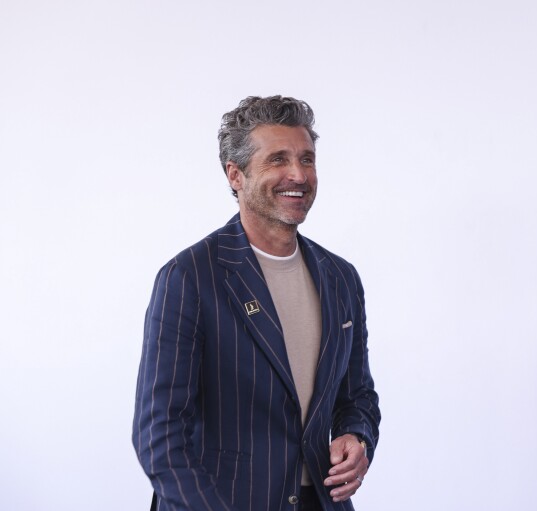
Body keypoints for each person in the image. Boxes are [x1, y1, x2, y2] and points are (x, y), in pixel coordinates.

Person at [132, 95, 381, 511]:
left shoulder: (341, 278)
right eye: (278, 159)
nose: (298, 175)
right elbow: (159, 433)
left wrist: (357, 436)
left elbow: (358, 396)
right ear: (236, 175)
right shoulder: (190, 277)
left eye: (307, 159)